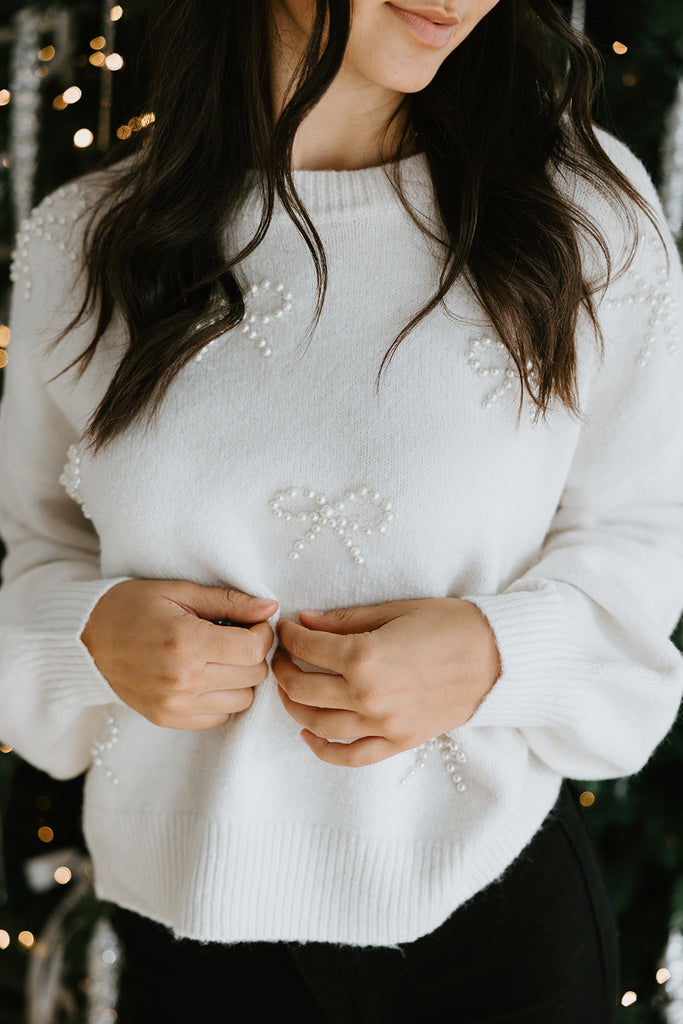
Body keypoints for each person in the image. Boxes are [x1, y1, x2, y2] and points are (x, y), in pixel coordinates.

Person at [1, 0, 682, 1020]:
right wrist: (89, 636)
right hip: (184, 941)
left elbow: (645, 531)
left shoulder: (580, 211)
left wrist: (493, 654)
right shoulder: (84, 241)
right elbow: (28, 557)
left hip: (486, 930)